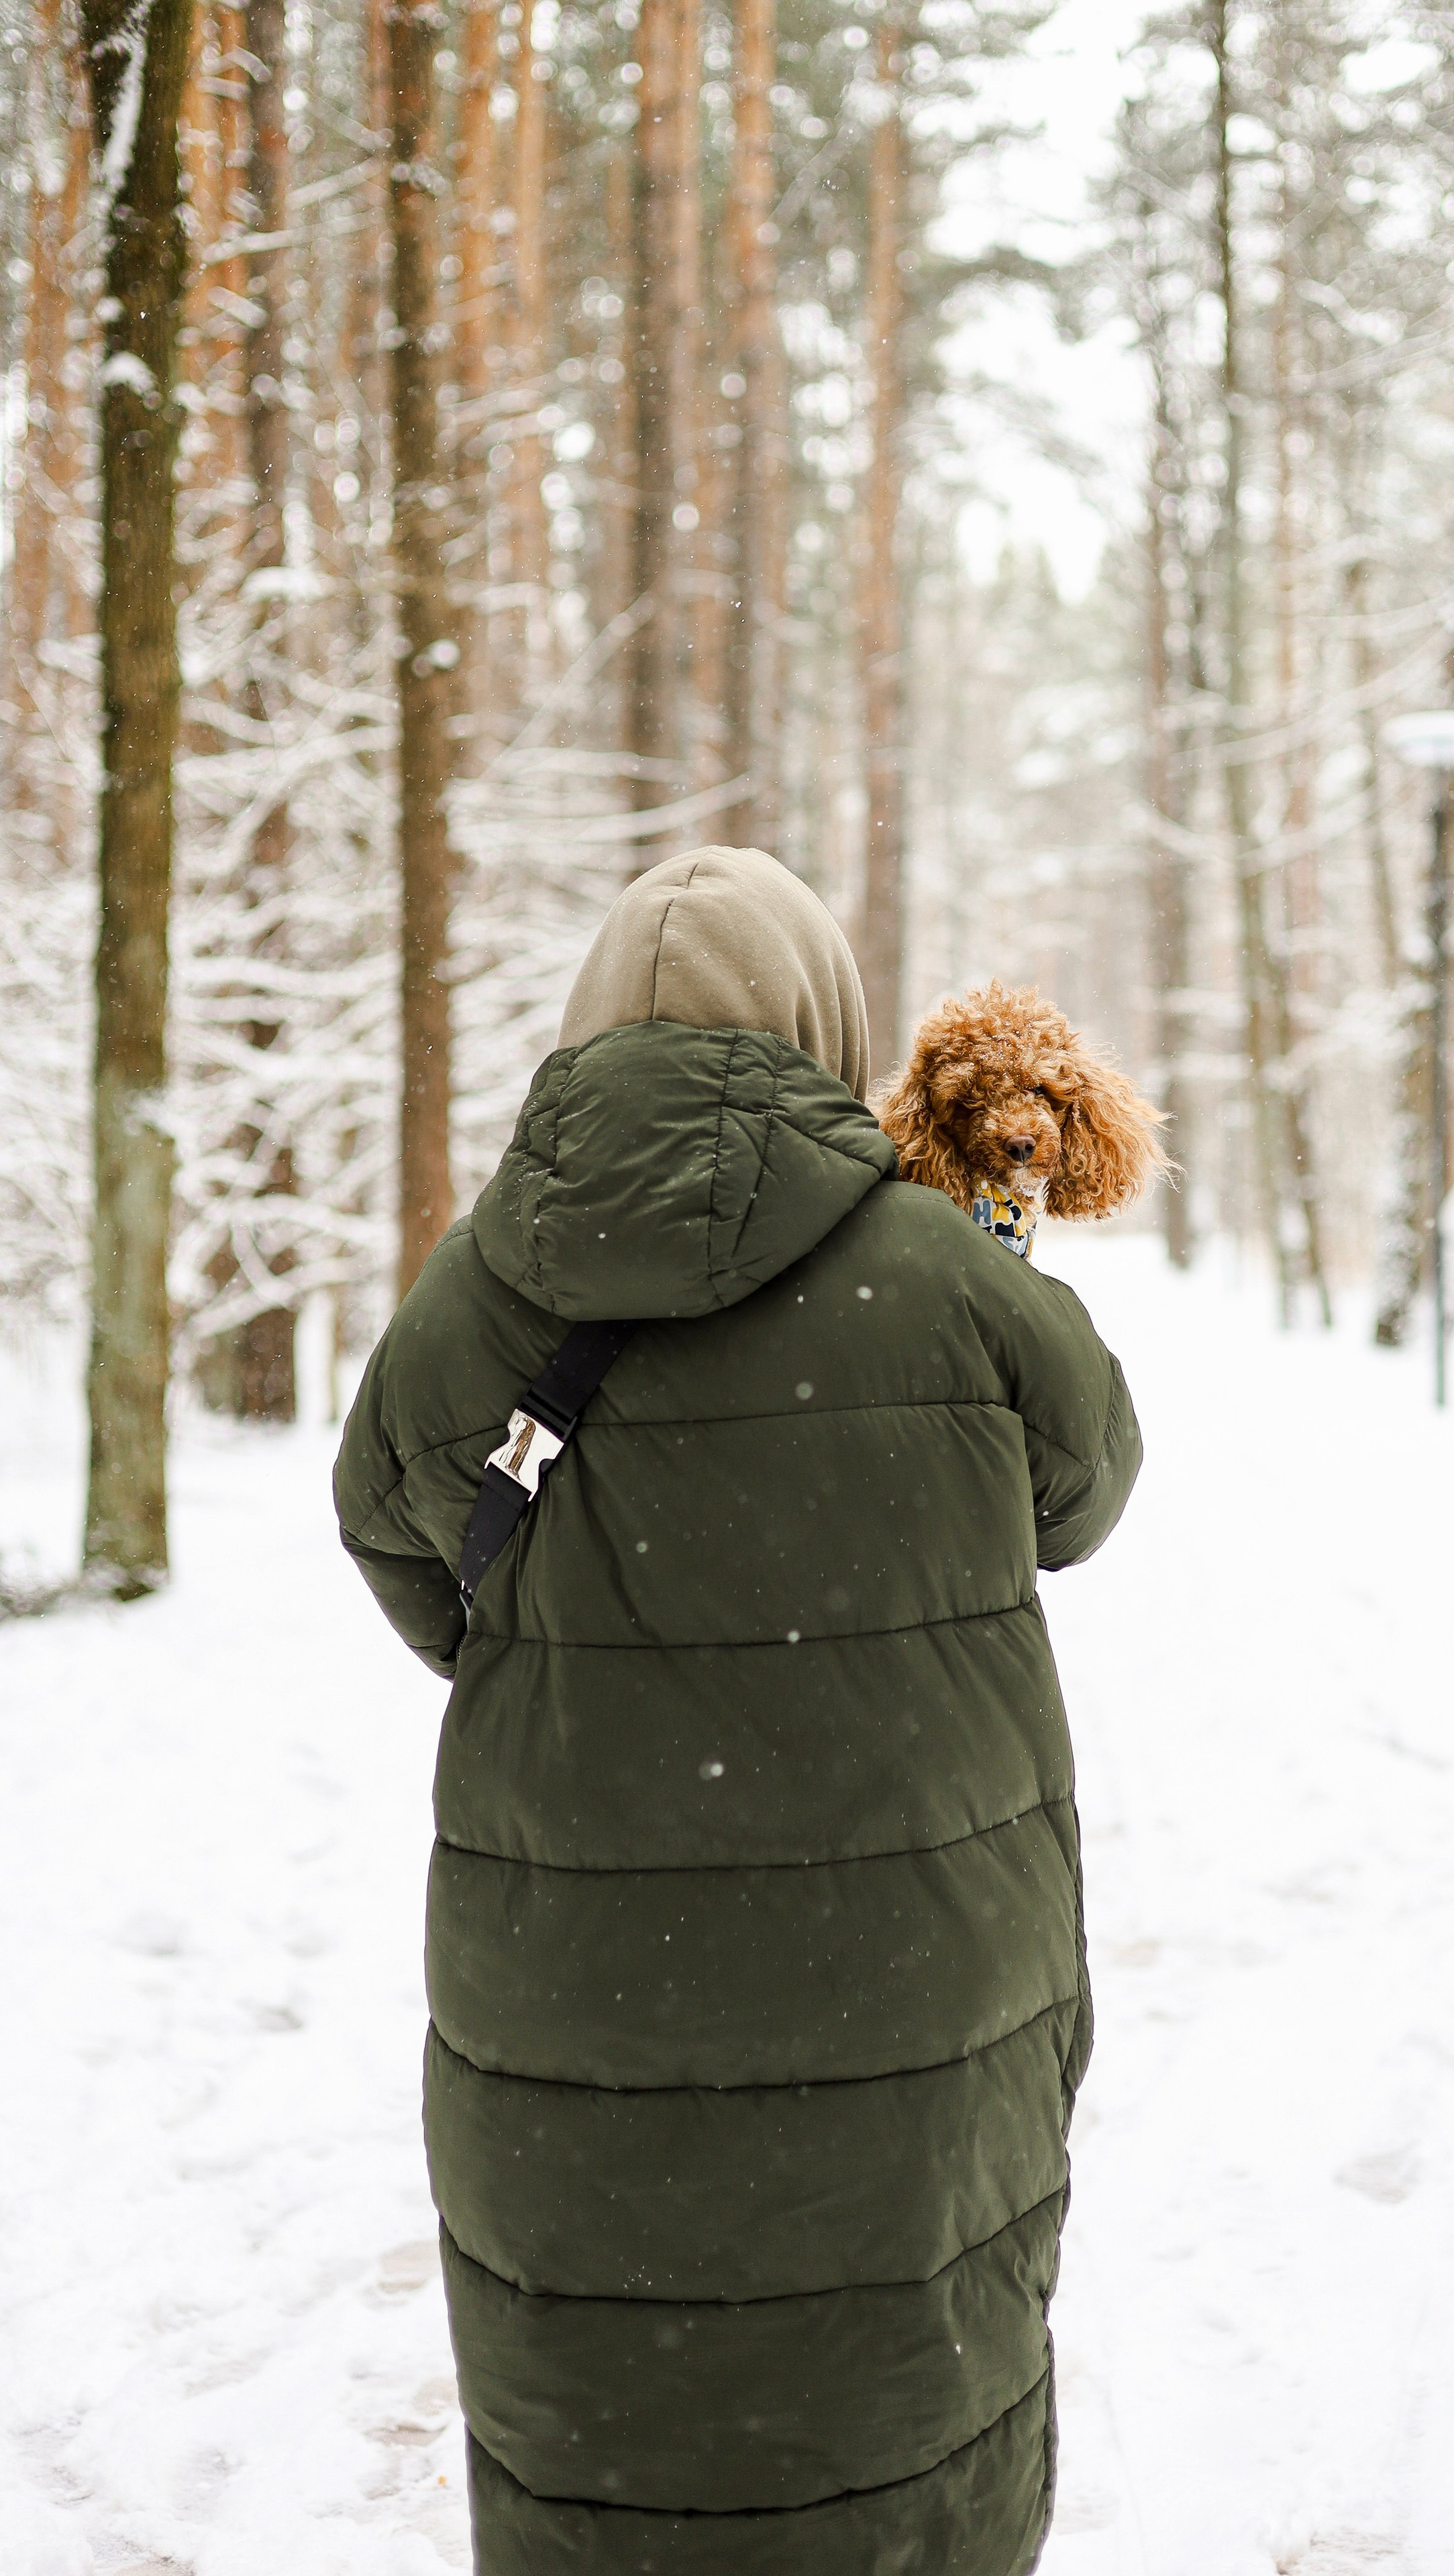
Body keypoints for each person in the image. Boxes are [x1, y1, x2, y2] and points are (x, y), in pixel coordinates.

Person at [334, 846, 1141, 2575]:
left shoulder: (478, 1289)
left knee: (600, 2438)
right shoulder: (940, 1271)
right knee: (905, 2422)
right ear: (824, 1027)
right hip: (914, 1968)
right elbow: (1082, 1492)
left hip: (571, 1988)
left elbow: (401, 1547)